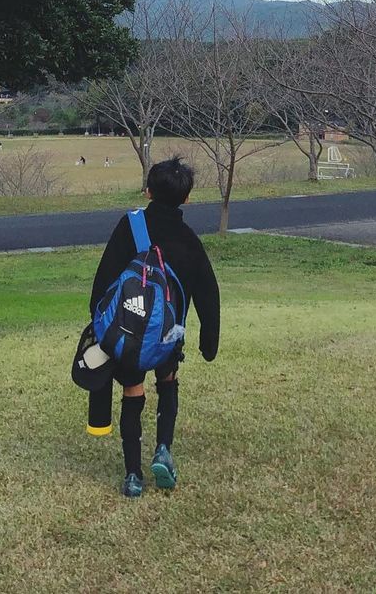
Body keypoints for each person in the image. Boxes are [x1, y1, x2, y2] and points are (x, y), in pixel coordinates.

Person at [89, 156, 220, 498]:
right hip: (167, 335)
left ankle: (133, 475)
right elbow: (208, 290)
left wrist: (98, 327)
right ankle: (163, 449)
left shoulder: (129, 226)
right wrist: (210, 342)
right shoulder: (188, 238)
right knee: (168, 382)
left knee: (133, 393)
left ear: (147, 192)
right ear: (187, 198)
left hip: (128, 334)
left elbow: (104, 279)